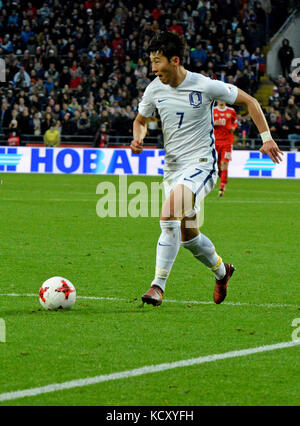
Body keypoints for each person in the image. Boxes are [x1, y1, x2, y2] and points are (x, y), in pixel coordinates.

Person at [130, 31, 283, 307]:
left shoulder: (204, 85)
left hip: (202, 165)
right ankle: (223, 272)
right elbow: (141, 120)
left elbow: (251, 101)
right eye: (151, 62)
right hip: (173, 170)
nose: (153, 68)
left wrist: (266, 138)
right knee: (189, 237)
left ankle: (157, 286)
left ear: (175, 60)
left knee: (167, 216)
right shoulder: (154, 88)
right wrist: (138, 136)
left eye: (157, 61)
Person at [213, 100, 238, 197]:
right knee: (218, 165)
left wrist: (233, 127)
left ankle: (222, 188)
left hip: (227, 142)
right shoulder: (212, 110)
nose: (221, 100)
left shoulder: (231, 111)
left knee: (224, 163)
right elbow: (206, 123)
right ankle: (221, 177)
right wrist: (214, 123)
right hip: (215, 142)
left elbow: (235, 122)